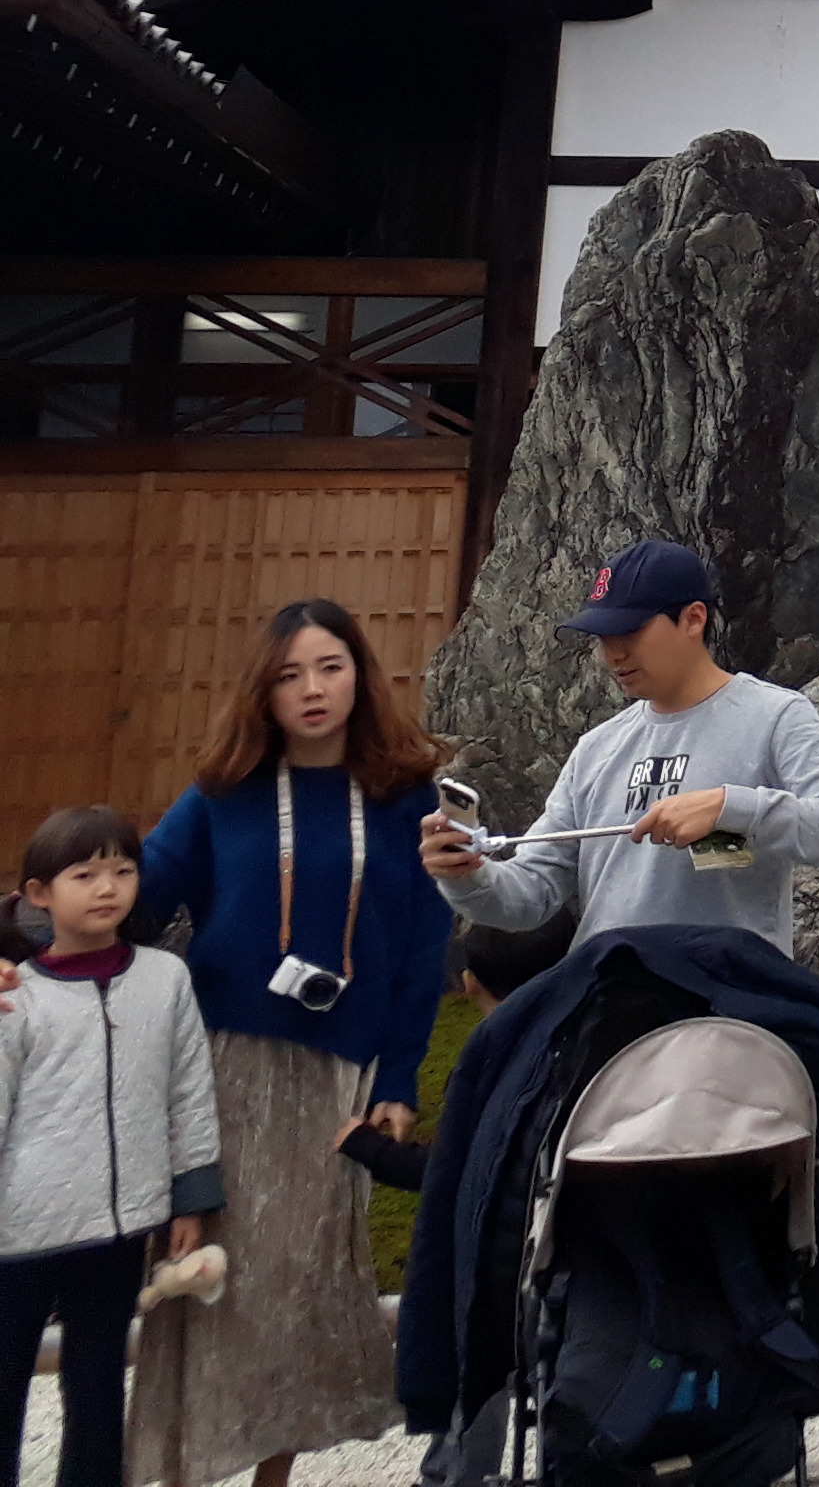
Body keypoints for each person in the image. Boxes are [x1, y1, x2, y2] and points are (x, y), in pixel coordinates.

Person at [127, 601, 457, 1487]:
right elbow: (142, 895)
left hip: (337, 1076)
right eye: (289, 674)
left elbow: (424, 950)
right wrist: (40, 934)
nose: (312, 690)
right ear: (263, 690)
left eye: (330, 668)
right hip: (223, 1065)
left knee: (301, 1278)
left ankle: (272, 1473)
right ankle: (183, 1465)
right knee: (208, 1270)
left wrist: (399, 1074)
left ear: (359, 674)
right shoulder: (222, 794)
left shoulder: (402, 797)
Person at [416, 542, 819, 954]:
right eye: (602, 637)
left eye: (630, 632)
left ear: (694, 618)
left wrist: (728, 807)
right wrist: (466, 875)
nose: (612, 654)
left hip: (727, 1010)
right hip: (606, 1000)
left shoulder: (775, 716)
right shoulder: (597, 749)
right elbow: (529, 896)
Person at [1, 809, 221, 1487]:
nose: (107, 887)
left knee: (97, 1392)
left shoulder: (164, 980)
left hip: (123, 1231)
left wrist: (192, 1195)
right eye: (85, 873)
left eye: (123, 871)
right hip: (19, 1236)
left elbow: (189, 1090)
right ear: (39, 893)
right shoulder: (16, 999)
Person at [329, 914, 579, 1199]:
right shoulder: (588, 1039)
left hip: (524, 1228)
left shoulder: (492, 1067)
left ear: (469, 981)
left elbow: (461, 1169)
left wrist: (367, 1147)